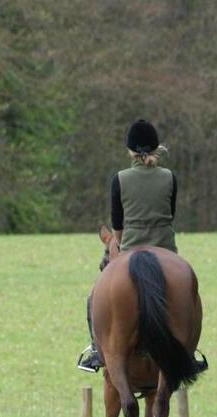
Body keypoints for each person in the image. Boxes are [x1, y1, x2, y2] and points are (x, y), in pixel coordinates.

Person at [78, 119, 178, 372]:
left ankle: (94, 350)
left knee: (93, 298)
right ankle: (189, 351)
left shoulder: (119, 179)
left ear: (130, 151)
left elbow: (118, 226)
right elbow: (171, 215)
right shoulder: (169, 177)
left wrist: (119, 242)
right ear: (157, 148)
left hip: (131, 250)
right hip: (166, 249)